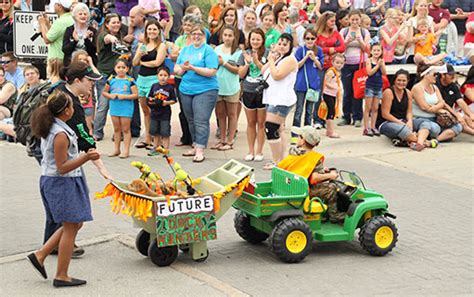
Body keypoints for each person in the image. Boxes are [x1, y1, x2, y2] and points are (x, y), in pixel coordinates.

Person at [26, 91, 100, 288]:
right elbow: (62, 167)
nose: (74, 107)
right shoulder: (59, 134)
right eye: (72, 105)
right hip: (61, 183)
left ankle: (40, 255)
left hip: (62, 181)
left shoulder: (57, 127)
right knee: (70, 227)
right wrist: (86, 157)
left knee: (75, 223)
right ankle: (62, 275)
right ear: (66, 110)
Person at [277, 125, 345, 223]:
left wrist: (321, 170)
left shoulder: (293, 152)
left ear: (303, 141)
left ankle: (323, 213)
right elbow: (314, 178)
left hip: (290, 186)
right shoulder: (314, 158)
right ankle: (334, 215)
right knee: (331, 187)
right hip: (303, 191)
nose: (297, 138)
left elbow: (301, 167)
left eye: (299, 136)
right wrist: (331, 175)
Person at [174, 25, 219, 163]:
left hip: (205, 89)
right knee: (190, 119)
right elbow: (177, 69)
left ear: (204, 36)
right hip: (186, 89)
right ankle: (194, 144)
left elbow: (212, 71)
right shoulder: (185, 50)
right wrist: (182, 67)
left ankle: (200, 149)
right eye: (194, 33)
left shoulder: (208, 51)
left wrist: (193, 68)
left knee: (200, 119)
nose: (196, 36)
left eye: (200, 33)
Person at [261, 33, 298, 170]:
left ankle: (276, 161)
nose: (282, 47)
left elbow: (277, 76)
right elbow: (263, 71)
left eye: (285, 44)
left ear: (290, 46)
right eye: (280, 43)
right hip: (273, 98)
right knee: (279, 129)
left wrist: (271, 60)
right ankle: (282, 161)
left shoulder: (290, 60)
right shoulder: (279, 58)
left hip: (282, 99)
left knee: (270, 128)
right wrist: (272, 58)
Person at [132, 20, 167, 149]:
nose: (151, 32)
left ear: (159, 31)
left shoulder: (161, 46)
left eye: (154, 29)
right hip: (141, 79)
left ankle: (158, 138)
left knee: (155, 110)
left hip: (154, 80)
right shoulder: (142, 45)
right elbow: (134, 63)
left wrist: (142, 62)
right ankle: (147, 137)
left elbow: (157, 63)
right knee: (145, 110)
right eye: (149, 29)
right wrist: (139, 56)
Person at [411, 63, 463, 150]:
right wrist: (439, 109)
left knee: (458, 127)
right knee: (431, 126)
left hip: (435, 118)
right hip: (419, 118)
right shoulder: (417, 88)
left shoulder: (434, 87)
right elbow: (424, 107)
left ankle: (433, 141)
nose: (436, 76)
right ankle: (420, 143)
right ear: (426, 75)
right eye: (434, 74)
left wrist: (433, 108)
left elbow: (442, 102)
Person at [93, 13, 128, 141]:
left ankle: (119, 134)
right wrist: (112, 39)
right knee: (103, 105)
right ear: (107, 24)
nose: (116, 24)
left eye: (118, 22)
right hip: (105, 75)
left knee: (118, 106)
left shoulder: (121, 36)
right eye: (113, 22)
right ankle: (97, 133)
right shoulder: (103, 35)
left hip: (118, 76)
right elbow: (107, 38)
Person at [238, 28, 268, 162]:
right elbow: (240, 74)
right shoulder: (244, 54)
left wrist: (256, 61)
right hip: (248, 90)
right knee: (251, 122)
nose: (255, 41)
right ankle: (250, 150)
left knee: (261, 123)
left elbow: (268, 72)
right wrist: (247, 63)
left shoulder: (268, 53)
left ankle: (259, 151)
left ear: (262, 40)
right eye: (253, 39)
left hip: (262, 91)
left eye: (258, 39)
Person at [172, 14, 201, 147]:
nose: (187, 27)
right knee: (184, 109)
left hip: (195, 77)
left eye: (190, 25)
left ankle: (196, 139)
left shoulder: (199, 38)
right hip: (180, 77)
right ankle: (185, 137)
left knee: (195, 110)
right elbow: (173, 56)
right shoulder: (179, 40)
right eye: (185, 24)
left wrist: (181, 54)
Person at [212, 25, 242, 151]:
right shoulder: (216, 50)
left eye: (230, 35)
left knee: (232, 114)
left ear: (234, 37)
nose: (227, 38)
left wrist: (223, 63)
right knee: (220, 114)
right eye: (225, 35)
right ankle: (222, 139)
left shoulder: (238, 52)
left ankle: (230, 140)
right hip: (219, 86)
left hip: (232, 87)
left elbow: (238, 70)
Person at [339, 9, 370, 128]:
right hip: (346, 64)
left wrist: (359, 40)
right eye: (352, 19)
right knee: (347, 91)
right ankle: (346, 116)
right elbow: (341, 47)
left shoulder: (364, 32)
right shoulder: (344, 31)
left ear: (360, 20)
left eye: (357, 19)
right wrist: (347, 41)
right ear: (349, 19)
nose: (354, 22)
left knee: (358, 91)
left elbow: (367, 49)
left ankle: (357, 117)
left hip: (360, 64)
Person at [102, 59, 138, 158]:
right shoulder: (111, 80)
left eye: (123, 67)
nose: (121, 70)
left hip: (126, 107)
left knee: (126, 129)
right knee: (116, 129)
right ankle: (116, 149)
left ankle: (126, 150)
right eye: (118, 67)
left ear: (127, 69)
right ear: (115, 68)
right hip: (114, 106)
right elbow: (104, 92)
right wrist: (110, 96)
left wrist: (125, 97)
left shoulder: (130, 81)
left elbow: (135, 94)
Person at [292, 28, 323, 142]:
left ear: (316, 39)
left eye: (312, 38)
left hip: (313, 85)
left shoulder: (319, 50)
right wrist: (305, 58)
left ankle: (307, 136)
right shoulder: (300, 50)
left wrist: (314, 58)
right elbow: (297, 66)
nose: (310, 41)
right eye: (307, 38)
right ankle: (295, 135)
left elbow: (321, 66)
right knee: (299, 110)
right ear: (304, 39)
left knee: (310, 111)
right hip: (301, 84)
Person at [315, 11, 345, 128]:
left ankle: (328, 118)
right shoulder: (318, 34)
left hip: (333, 68)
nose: (334, 23)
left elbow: (342, 47)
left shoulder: (336, 34)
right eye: (331, 21)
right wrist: (331, 50)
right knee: (320, 92)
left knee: (331, 94)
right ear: (325, 21)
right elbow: (317, 48)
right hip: (321, 66)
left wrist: (329, 49)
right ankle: (317, 118)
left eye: (334, 20)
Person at [378, 69, 419, 148]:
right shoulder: (388, 92)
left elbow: (409, 112)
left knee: (425, 124)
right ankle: (423, 142)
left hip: (403, 121)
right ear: (394, 80)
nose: (401, 83)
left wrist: (410, 121)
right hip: (387, 123)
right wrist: (401, 123)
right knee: (404, 130)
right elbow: (385, 114)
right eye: (399, 80)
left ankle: (409, 140)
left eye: (404, 81)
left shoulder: (408, 92)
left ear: (407, 81)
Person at [436, 65, 474, 135]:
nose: (453, 76)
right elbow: (443, 104)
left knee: (467, 117)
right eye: (450, 74)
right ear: (442, 75)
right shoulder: (436, 85)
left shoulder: (453, 86)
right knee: (461, 120)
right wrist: (457, 116)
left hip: (450, 111)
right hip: (438, 111)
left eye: (454, 74)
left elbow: (460, 101)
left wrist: (470, 114)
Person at [147, 66, 176, 149]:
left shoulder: (170, 87)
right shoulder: (154, 86)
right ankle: (156, 147)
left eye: (165, 75)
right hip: (154, 112)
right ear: (157, 76)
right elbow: (150, 96)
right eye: (161, 75)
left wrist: (166, 102)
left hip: (165, 113)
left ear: (169, 76)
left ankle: (166, 149)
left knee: (165, 131)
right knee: (155, 131)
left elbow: (174, 100)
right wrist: (151, 100)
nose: (163, 77)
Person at [70, 50, 98, 135]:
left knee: (88, 128)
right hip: (75, 104)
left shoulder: (88, 72)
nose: (83, 61)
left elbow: (98, 76)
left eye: (85, 60)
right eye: (80, 59)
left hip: (87, 104)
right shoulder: (71, 72)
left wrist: (91, 63)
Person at [62, 3, 97, 67]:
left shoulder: (92, 30)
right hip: (71, 64)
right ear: (75, 16)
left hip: (88, 65)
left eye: (85, 14)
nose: (83, 16)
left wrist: (87, 40)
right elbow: (65, 50)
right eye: (80, 14)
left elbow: (94, 51)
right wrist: (75, 41)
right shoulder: (70, 30)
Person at [363, 43, 386, 137]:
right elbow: (369, 72)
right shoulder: (369, 60)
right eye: (374, 50)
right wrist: (377, 66)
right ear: (371, 51)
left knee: (375, 108)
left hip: (378, 86)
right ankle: (366, 127)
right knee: (368, 107)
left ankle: (373, 126)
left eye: (378, 50)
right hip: (370, 86)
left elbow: (384, 73)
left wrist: (382, 64)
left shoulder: (381, 61)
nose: (376, 52)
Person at [321, 54, 344, 138]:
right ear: (332, 62)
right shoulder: (331, 72)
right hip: (328, 94)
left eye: (341, 63)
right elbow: (326, 83)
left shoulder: (337, 72)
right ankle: (330, 131)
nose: (339, 65)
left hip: (333, 94)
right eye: (337, 62)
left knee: (331, 112)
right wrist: (336, 87)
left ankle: (329, 131)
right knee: (330, 113)